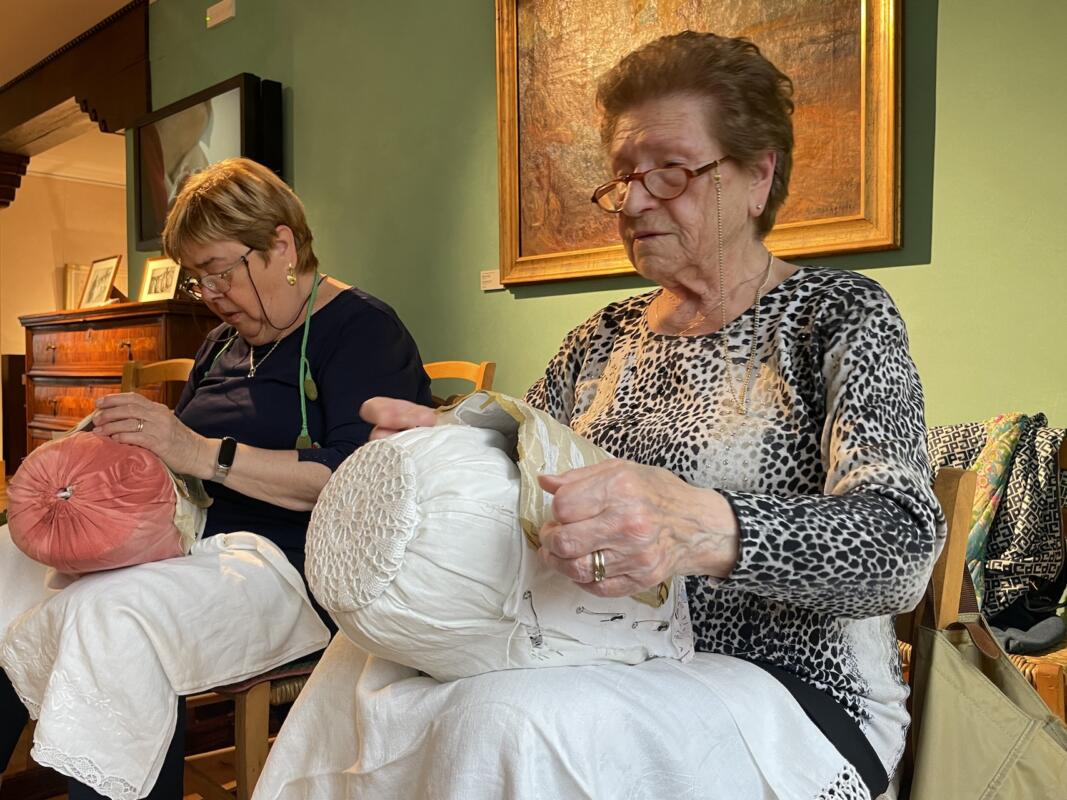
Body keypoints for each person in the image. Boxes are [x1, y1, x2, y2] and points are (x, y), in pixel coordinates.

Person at [257, 32, 943, 800]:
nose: (636, 201)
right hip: (591, 648)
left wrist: (697, 526)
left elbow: (900, 547)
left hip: (788, 686)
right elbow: (528, 471)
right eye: (623, 177)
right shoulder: (602, 338)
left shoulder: (835, 315)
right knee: (362, 666)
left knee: (503, 722)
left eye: (671, 171)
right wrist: (451, 453)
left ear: (757, 174)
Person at [0, 157, 432, 799]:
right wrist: (114, 450)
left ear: (281, 246)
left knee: (110, 613)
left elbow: (363, 481)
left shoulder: (361, 329)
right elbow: (177, 457)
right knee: (8, 558)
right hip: (193, 543)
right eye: (197, 278)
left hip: (295, 565)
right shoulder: (224, 343)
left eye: (219, 271)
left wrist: (203, 453)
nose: (210, 295)